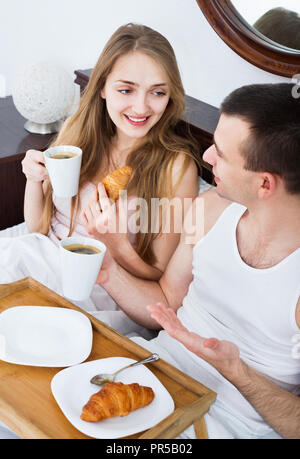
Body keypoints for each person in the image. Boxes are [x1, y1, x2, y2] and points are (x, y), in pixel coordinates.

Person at [95, 83, 300, 439]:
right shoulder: (209, 211)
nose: (207, 157)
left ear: (264, 184)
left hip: (230, 421)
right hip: (152, 371)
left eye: (220, 153)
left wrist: (236, 370)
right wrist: (110, 270)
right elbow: (167, 303)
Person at [0, 23, 200, 334]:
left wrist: (116, 244)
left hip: (99, 292)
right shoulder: (77, 136)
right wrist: (32, 180)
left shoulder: (177, 168)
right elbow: (39, 229)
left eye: (158, 92)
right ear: (103, 87)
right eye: (126, 90)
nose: (141, 107)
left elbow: (157, 276)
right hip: (42, 262)